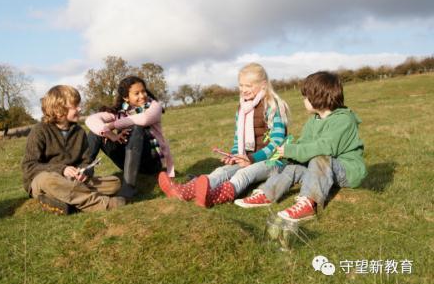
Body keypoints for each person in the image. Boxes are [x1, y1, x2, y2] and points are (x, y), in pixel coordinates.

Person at [235, 71, 366, 222]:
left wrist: (292, 150)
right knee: (294, 167)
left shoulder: (343, 120)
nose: (303, 100)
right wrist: (287, 153)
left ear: (318, 97)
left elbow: (325, 147)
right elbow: (304, 144)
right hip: (322, 171)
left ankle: (308, 204)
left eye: (305, 97)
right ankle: (267, 194)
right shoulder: (313, 121)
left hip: (347, 171)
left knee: (319, 158)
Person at [158, 63, 290, 208]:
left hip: (273, 161)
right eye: (241, 85)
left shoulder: (272, 106)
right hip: (247, 157)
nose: (244, 90)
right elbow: (238, 138)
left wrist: (251, 159)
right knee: (221, 171)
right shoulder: (242, 108)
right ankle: (185, 191)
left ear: (263, 85)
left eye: (249, 86)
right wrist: (234, 155)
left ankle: (214, 197)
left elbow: (277, 142)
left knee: (244, 174)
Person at [22, 85, 125, 214]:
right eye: (75, 105)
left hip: (72, 181)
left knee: (115, 183)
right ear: (59, 110)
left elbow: (86, 161)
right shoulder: (39, 130)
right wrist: (62, 169)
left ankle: (61, 202)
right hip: (43, 181)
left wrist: (84, 173)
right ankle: (101, 204)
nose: (80, 108)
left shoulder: (79, 132)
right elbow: (29, 167)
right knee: (49, 180)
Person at [86, 76, 174, 200]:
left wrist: (111, 125)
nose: (142, 96)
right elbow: (91, 120)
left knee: (137, 127)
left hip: (151, 161)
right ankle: (82, 173)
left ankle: (129, 187)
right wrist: (110, 134)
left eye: (143, 91)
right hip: (127, 158)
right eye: (136, 93)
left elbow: (144, 119)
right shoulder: (119, 112)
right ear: (126, 97)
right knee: (97, 132)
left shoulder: (154, 106)